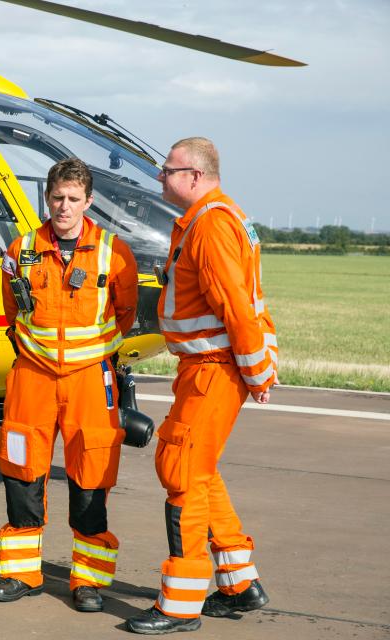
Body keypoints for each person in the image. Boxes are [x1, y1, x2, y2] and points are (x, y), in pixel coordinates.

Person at [126, 137, 277, 634]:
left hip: (215, 367)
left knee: (182, 472)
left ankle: (180, 605)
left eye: (166, 171)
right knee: (201, 470)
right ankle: (239, 584)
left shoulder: (210, 225)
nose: (160, 179)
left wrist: (256, 373)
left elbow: (236, 304)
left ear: (194, 175)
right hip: (205, 368)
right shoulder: (217, 216)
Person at [0, 158, 137, 611]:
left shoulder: (115, 253)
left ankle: (87, 582)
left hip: (91, 378)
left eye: (74, 199)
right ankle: (21, 574)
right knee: (21, 471)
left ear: (88, 201)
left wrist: (89, 357)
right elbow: (14, 312)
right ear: (46, 197)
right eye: (57, 198)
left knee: (91, 477)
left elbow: (125, 314)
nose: (64, 207)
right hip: (32, 376)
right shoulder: (21, 250)